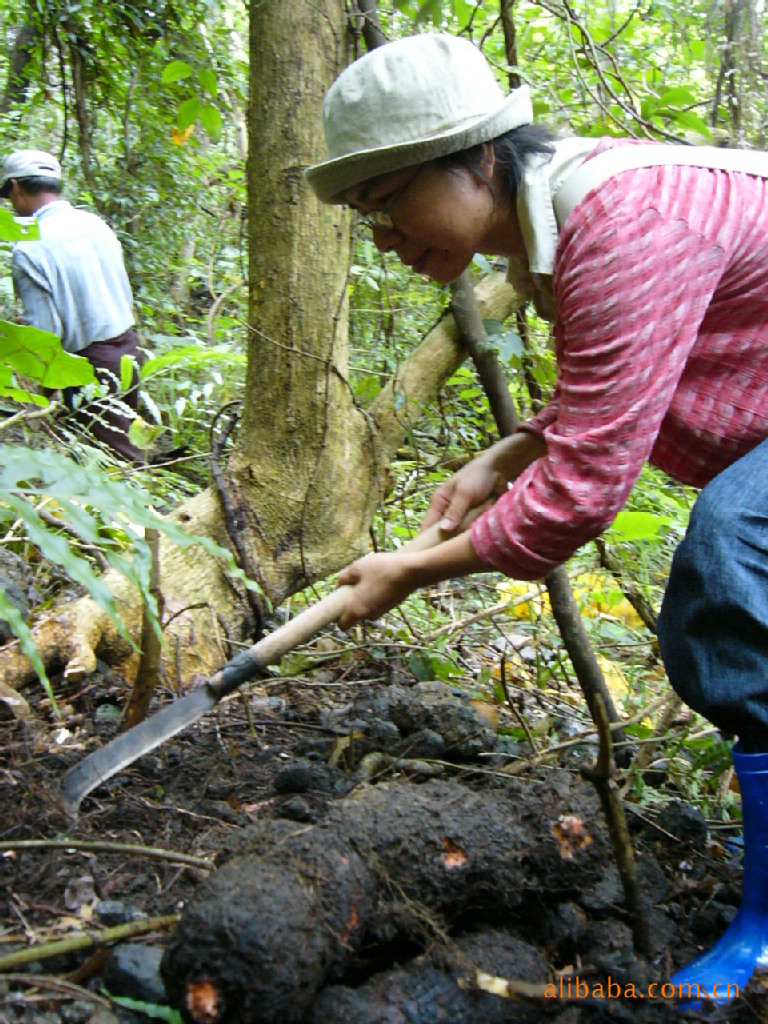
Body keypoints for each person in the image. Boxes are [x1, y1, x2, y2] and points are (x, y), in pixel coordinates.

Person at [305, 33, 768, 1003]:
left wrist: (413, 571)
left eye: (391, 200)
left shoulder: (619, 221)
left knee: (729, 557)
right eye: (366, 218)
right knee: (722, 602)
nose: (385, 236)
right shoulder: (560, 224)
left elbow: (584, 493)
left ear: (478, 156)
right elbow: (621, 376)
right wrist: (502, 453)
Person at [1, 149, 145, 463]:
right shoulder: (94, 224)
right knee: (123, 448)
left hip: (88, 366)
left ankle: (146, 512)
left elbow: (46, 335)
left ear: (16, 187)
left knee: (112, 464)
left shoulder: (30, 249)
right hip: (129, 351)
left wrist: (39, 395)